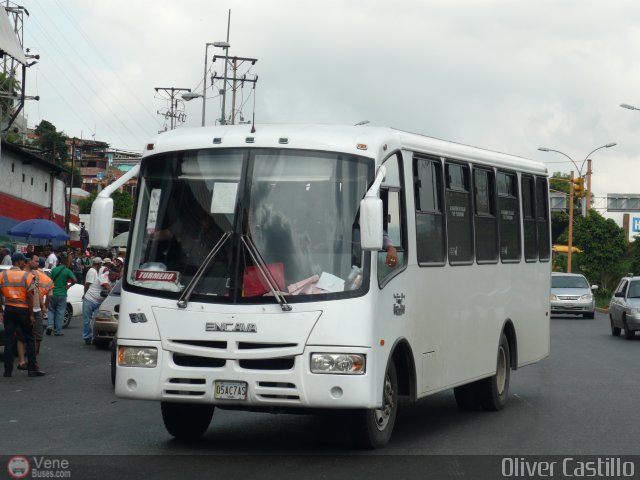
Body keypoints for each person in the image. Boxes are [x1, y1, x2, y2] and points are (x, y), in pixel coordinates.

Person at [0, 252, 45, 377]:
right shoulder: (26, 276)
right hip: (23, 310)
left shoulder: (2, 275)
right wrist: (31, 314)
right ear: (19, 262)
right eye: (23, 261)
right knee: (30, 339)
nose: (24, 263)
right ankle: (32, 369)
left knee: (8, 340)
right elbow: (30, 297)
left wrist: (1, 309)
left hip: (9, 308)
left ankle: (7, 371)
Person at [16, 255, 53, 368]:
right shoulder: (22, 275)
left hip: (36, 308)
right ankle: (22, 361)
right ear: (28, 262)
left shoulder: (36, 275)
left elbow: (37, 292)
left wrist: (42, 306)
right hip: (24, 308)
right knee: (22, 336)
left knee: (37, 335)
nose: (38, 263)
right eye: (36, 261)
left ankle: (32, 359)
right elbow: (27, 294)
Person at [82, 265, 120, 345]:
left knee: (96, 321)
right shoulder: (103, 276)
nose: (116, 278)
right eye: (115, 276)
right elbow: (106, 285)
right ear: (111, 274)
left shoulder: (115, 281)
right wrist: (113, 291)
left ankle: (95, 338)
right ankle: (87, 337)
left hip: (100, 303)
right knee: (87, 320)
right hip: (90, 299)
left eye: (118, 276)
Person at [46, 252, 77, 336]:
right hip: (62, 294)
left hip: (53, 293)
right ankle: (57, 331)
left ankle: (49, 326)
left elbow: (50, 281)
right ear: (66, 261)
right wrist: (68, 286)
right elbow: (75, 280)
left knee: (51, 310)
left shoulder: (54, 269)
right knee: (60, 312)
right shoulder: (67, 271)